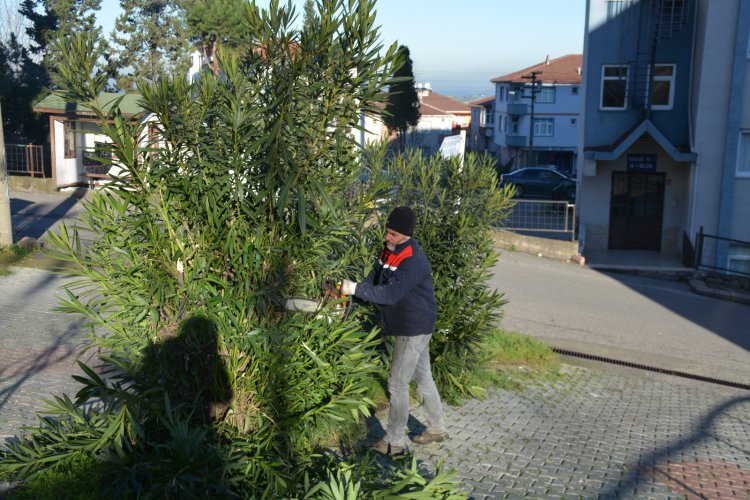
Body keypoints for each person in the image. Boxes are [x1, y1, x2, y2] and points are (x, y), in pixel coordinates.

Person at [341, 206, 449, 455]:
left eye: (394, 234)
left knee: (397, 383)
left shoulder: (413, 260)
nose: (388, 237)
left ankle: (394, 442)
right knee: (423, 377)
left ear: (407, 235)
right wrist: (353, 295)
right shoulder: (389, 251)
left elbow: (390, 294)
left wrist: (355, 289)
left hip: (413, 327)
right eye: (387, 232)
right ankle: (437, 428)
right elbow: (374, 280)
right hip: (413, 323)